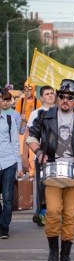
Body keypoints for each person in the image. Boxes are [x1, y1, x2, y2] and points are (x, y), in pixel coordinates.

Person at [27, 79, 74, 261]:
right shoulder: (44, 116)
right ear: (58, 97)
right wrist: (39, 152)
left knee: (69, 214)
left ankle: (65, 255)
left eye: (69, 97)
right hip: (51, 172)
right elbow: (32, 137)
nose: (65, 100)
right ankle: (53, 252)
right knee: (52, 211)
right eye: (62, 96)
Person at [25, 85, 56, 227]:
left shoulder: (60, 111)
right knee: (42, 185)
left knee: (56, 185)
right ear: (41, 97)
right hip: (42, 155)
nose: (50, 95)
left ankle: (55, 213)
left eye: (52, 93)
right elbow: (31, 136)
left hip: (59, 155)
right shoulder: (36, 114)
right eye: (47, 94)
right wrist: (31, 155)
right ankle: (41, 213)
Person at [0, 89, 23, 239]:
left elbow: (15, 143)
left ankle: (4, 227)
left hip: (9, 162)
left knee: (8, 197)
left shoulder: (9, 118)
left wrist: (19, 166)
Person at [15, 82, 42, 179]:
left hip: (32, 128)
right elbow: (16, 115)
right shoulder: (21, 101)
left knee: (32, 153)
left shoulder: (37, 102)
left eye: (29, 89)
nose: (27, 91)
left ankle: (31, 173)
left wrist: (33, 112)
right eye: (25, 89)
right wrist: (20, 117)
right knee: (21, 151)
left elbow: (40, 116)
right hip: (23, 128)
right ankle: (22, 169)